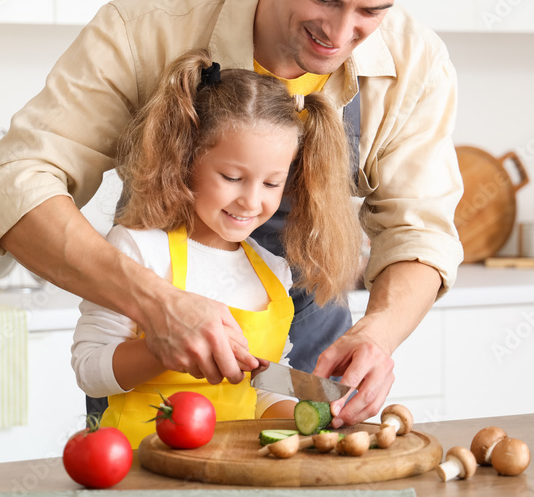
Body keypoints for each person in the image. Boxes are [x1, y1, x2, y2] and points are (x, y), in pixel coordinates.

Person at [0, 0, 463, 428]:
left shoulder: (417, 63)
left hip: (302, 371)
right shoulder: (143, 30)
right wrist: (157, 305)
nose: (339, 32)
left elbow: (419, 232)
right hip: (154, 393)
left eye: (371, 12)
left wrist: (378, 335)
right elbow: (10, 186)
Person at [71, 49, 360, 447]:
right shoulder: (138, 249)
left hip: (235, 470)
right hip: (144, 466)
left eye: (272, 184)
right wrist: (163, 349)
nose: (251, 201)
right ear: (186, 158)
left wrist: (316, 417)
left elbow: (260, 393)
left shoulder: (272, 270)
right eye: (231, 177)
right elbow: (89, 370)